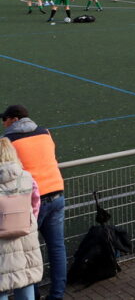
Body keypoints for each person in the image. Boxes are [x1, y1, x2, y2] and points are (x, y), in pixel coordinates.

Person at [2, 105, 65, 300]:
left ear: (13, 119)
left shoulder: (9, 141)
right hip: (57, 191)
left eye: (4, 119)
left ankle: (33, 294)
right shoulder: (45, 133)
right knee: (57, 247)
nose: (3, 123)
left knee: (28, 250)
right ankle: (57, 294)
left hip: (30, 200)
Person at [0, 137, 43, 300]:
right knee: (25, 280)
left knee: (2, 284)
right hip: (26, 236)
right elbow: (35, 204)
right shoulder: (26, 177)